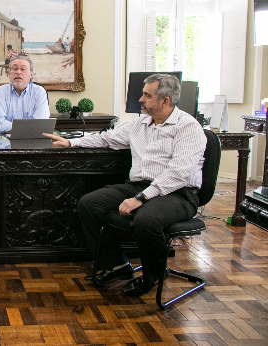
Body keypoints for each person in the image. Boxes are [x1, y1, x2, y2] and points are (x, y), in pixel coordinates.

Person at [43, 74, 206, 296]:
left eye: (147, 95)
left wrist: (141, 198)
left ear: (165, 100)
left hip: (178, 193)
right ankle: (118, 265)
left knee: (145, 220)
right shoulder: (139, 124)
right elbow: (106, 138)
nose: (140, 99)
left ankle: (154, 275)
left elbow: (178, 174)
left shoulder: (188, 127)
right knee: (88, 204)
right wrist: (71, 142)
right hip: (140, 186)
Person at [0, 56, 50, 133]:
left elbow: (40, 125)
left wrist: (12, 128)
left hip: (33, 142)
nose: (18, 72)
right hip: (6, 142)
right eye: (15, 68)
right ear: (9, 73)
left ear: (31, 74)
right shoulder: (1, 92)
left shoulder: (39, 92)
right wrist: (29, 128)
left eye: (23, 69)